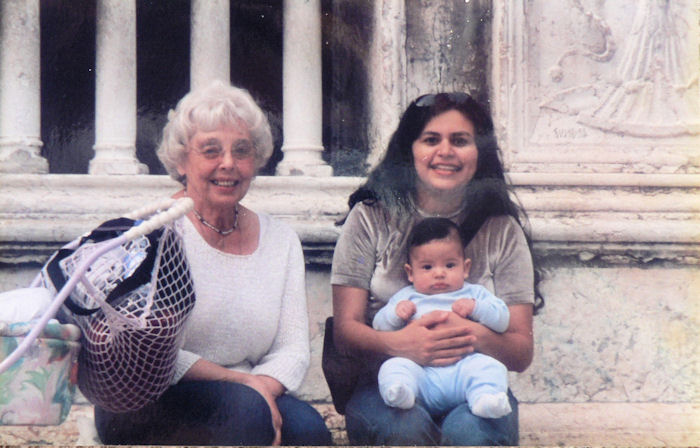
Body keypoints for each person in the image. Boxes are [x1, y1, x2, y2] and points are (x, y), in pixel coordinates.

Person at [93, 81, 331, 446]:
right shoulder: (153, 234)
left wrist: (260, 388)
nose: (228, 163)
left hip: (246, 392)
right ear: (181, 161)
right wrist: (244, 384)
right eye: (211, 150)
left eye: (242, 150)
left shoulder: (281, 240)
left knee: (309, 431)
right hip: (147, 396)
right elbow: (146, 351)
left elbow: (293, 349)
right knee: (248, 414)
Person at [329, 92, 542, 445]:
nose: (445, 152)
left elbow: (520, 352)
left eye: (460, 141)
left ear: (480, 152)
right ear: (410, 149)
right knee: (404, 429)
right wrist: (401, 343)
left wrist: (471, 335)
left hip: (471, 381)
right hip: (391, 380)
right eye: (431, 140)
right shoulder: (370, 219)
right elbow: (345, 332)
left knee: (471, 434)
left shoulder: (502, 230)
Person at [373, 217, 512, 420]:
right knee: (393, 367)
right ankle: (402, 393)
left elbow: (502, 319)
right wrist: (395, 314)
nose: (439, 273)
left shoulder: (475, 293)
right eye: (427, 267)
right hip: (422, 372)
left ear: (465, 268)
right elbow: (379, 326)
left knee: (490, 367)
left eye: (449, 265)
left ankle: (484, 399)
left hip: (464, 367)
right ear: (410, 273)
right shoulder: (406, 297)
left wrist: (477, 308)